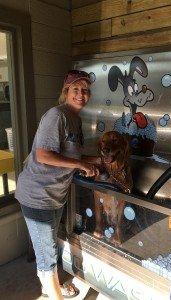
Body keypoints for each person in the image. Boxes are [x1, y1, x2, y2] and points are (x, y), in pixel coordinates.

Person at [15, 70, 100, 299]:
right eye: (75, 90)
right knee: (47, 255)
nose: (81, 94)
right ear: (66, 92)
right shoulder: (57, 115)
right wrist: (81, 166)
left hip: (55, 195)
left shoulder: (76, 118)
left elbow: (74, 154)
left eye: (85, 90)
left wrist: (102, 160)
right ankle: (55, 294)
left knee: (48, 246)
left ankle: (49, 287)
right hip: (37, 194)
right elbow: (43, 155)